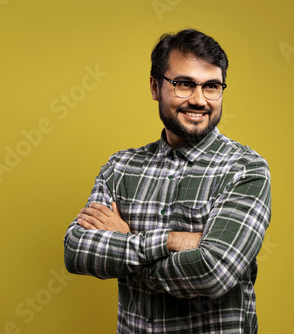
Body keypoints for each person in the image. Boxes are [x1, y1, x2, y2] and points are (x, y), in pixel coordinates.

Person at [63, 28, 272, 333]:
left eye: (212, 86)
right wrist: (172, 241)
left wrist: (126, 243)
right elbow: (77, 251)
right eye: (184, 84)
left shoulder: (244, 169)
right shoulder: (120, 168)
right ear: (154, 86)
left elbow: (214, 271)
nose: (200, 100)